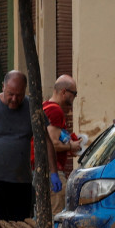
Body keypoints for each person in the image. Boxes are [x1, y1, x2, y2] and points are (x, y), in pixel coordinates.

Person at [0, 70, 60, 222]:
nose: (14, 99)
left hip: (21, 182)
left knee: (21, 226)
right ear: (3, 87)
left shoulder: (31, 107)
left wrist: (54, 172)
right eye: (10, 94)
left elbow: (45, 140)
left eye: (19, 95)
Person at [43, 75, 82, 214]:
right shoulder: (55, 110)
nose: (75, 97)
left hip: (44, 169)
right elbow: (53, 144)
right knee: (57, 214)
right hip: (53, 171)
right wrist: (71, 147)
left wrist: (69, 143)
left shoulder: (46, 106)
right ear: (64, 92)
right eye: (74, 93)